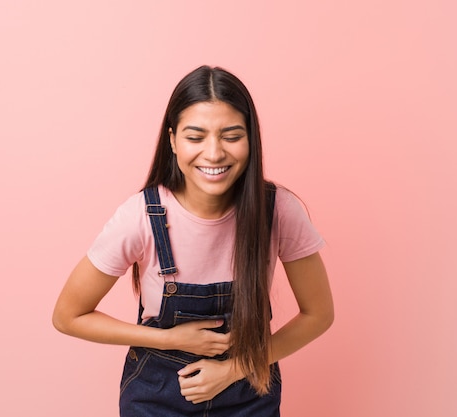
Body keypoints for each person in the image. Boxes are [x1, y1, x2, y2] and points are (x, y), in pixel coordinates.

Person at [52, 65, 334, 416]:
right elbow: (68, 316)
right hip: (156, 398)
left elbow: (318, 314)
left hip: (249, 395)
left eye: (231, 136)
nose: (214, 153)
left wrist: (234, 369)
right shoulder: (140, 216)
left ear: (251, 138)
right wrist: (170, 338)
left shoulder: (277, 210)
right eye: (195, 137)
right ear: (172, 140)